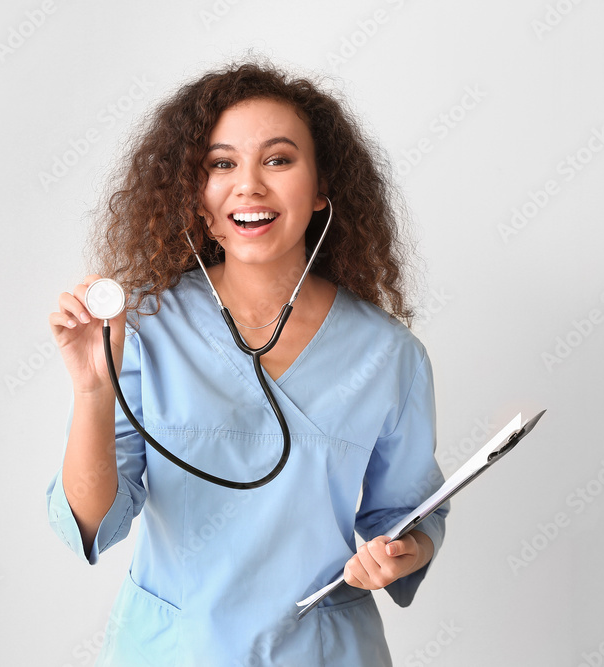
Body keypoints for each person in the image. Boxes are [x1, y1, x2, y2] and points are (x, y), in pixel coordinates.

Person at [45, 59, 448, 666]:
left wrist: (402, 552)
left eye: (278, 160)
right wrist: (93, 393)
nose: (249, 186)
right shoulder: (143, 330)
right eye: (222, 164)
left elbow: (408, 515)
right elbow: (95, 521)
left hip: (322, 651)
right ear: (195, 194)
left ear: (321, 189)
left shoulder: (388, 356)